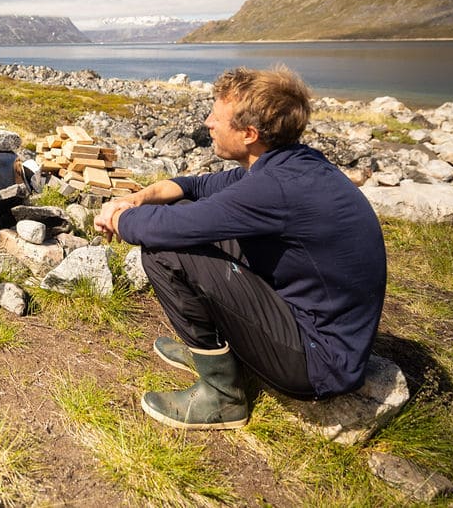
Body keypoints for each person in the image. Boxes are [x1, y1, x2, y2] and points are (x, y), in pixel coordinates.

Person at [94, 66, 386, 430]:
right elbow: (195, 187)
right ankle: (211, 354)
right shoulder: (288, 162)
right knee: (179, 214)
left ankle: (223, 396)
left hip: (319, 362)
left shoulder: (275, 188)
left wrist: (116, 218)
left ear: (249, 133)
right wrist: (139, 197)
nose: (207, 123)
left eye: (216, 118)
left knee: (167, 249)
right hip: (308, 321)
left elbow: (174, 229)